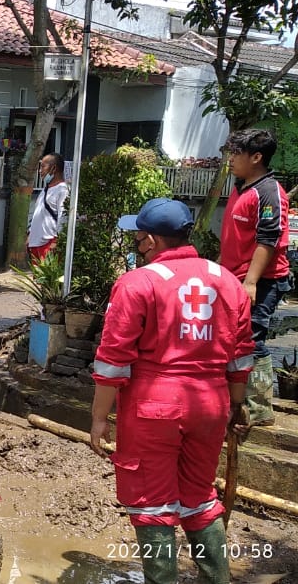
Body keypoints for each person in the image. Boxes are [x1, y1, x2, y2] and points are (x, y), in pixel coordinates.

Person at [90, 197, 253, 584]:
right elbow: (241, 356)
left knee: (152, 505)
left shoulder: (137, 283)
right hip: (211, 404)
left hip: (154, 407)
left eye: (138, 238)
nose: (137, 244)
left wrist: (98, 418)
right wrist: (236, 405)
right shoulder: (227, 281)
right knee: (200, 498)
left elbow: (113, 361)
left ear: (151, 240)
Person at [219, 129, 288, 429]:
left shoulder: (269, 192)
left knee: (252, 339)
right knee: (233, 338)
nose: (231, 159)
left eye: (237, 153)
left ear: (257, 157)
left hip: (262, 281)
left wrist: (250, 282)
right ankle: (235, 401)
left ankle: (258, 409)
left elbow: (268, 239)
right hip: (234, 276)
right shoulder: (241, 186)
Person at [27, 153, 68, 264]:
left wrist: (57, 240)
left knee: (48, 274)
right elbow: (37, 214)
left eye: (43, 167)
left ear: (54, 168)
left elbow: (63, 216)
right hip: (36, 243)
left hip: (49, 243)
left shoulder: (62, 190)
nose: (40, 171)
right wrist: (30, 235)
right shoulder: (45, 190)